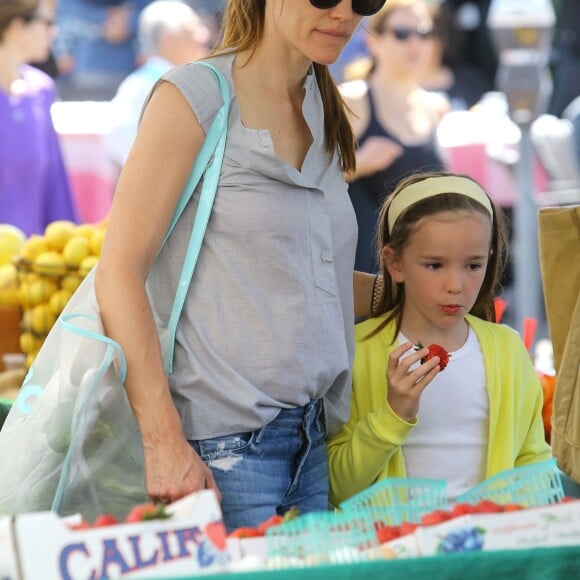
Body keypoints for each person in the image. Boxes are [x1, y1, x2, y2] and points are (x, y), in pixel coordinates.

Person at [94, 0, 388, 533]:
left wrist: (431, 288)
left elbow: (296, 279)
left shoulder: (323, 104)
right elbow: (117, 272)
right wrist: (162, 441)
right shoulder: (196, 96)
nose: (346, 12)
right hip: (218, 455)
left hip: (312, 444)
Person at [327, 171, 552, 506]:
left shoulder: (507, 348)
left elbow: (533, 463)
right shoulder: (356, 351)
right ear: (395, 263)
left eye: (473, 266)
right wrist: (393, 414)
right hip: (398, 553)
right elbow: (337, 488)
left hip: (490, 549)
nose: (455, 285)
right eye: (434, 265)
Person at [340, 0, 449, 274]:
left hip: (423, 274)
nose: (414, 43)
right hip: (365, 275)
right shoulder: (351, 101)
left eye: (423, 34)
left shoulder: (436, 107)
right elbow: (308, 178)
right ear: (373, 41)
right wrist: (360, 162)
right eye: (402, 34)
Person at [0, 0, 79, 237]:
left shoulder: (41, 89)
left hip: (30, 265)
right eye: (47, 22)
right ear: (17, 27)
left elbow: (56, 184)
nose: (54, 31)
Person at [105, 0, 210, 168]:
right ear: (171, 39)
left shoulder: (184, 79)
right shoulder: (142, 85)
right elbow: (118, 134)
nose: (204, 35)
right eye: (193, 30)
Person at [52, 0, 151, 100]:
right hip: (77, 81)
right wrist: (106, 18)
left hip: (131, 79)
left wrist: (132, 20)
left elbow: (159, 11)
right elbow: (61, 9)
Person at [419, 1, 493, 111]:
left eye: (426, 35)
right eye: (403, 35)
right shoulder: (395, 87)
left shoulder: (470, 81)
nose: (414, 43)